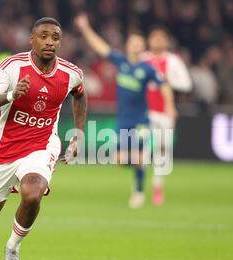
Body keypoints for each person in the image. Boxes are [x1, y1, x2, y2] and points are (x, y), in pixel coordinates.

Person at [0, 17, 87, 260]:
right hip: (5, 149)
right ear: (31, 40)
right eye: (43, 36)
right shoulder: (12, 67)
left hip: (42, 145)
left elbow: (80, 94)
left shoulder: (71, 73)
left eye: (55, 37)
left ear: (60, 41)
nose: (49, 42)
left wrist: (78, 133)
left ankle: (13, 246)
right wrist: (10, 96)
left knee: (33, 194)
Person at [75, 14, 176, 209]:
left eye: (139, 43)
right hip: (123, 120)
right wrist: (85, 28)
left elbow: (164, 86)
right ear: (128, 45)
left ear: (143, 46)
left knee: (138, 158)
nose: (136, 46)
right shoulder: (120, 61)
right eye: (133, 43)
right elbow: (100, 46)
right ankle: (142, 165)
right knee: (119, 160)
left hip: (141, 121)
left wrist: (170, 106)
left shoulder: (148, 68)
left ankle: (138, 191)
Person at [142, 25, 192, 205]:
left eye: (161, 37)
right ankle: (139, 187)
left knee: (162, 151)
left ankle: (157, 186)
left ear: (166, 42)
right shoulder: (143, 59)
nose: (157, 41)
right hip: (145, 112)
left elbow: (186, 84)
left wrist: (169, 81)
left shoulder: (173, 61)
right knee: (143, 150)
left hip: (165, 112)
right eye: (154, 37)